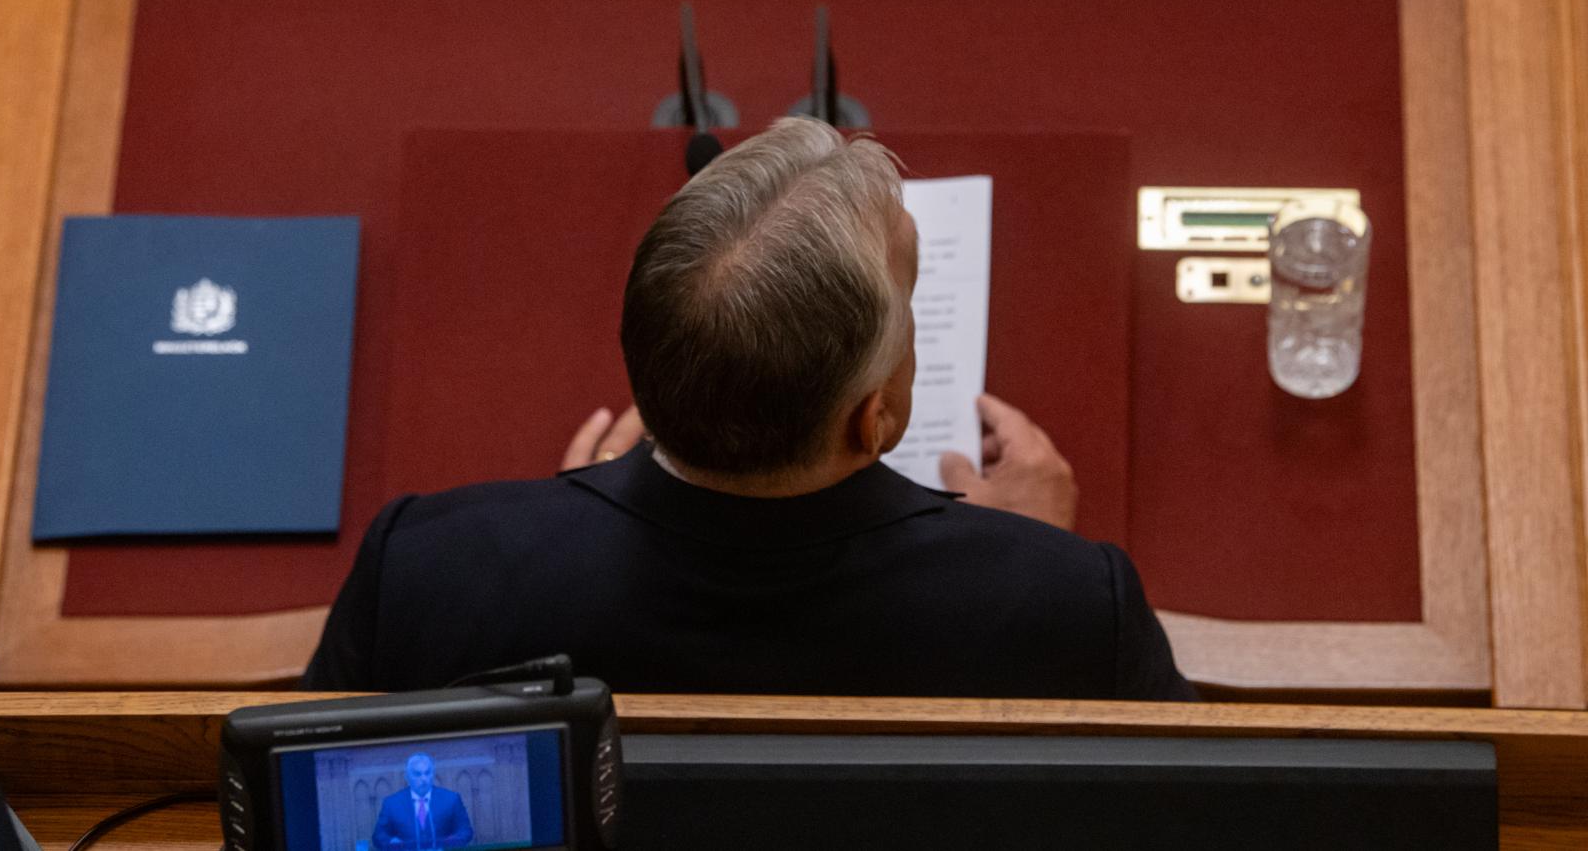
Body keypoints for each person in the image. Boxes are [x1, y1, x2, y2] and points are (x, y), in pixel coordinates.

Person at [305, 117, 1192, 700]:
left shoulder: (420, 569)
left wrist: (566, 522)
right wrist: (1026, 556)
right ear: (873, 418)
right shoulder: (1073, 604)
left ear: (646, 366)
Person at [371, 753, 473, 850]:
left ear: (433, 775)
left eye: (427, 773)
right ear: (407, 777)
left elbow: (465, 831)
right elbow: (379, 836)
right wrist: (393, 843)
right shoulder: (392, 803)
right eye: (417, 774)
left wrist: (450, 843)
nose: (424, 779)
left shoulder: (451, 799)